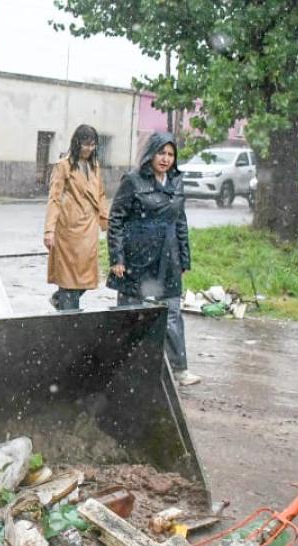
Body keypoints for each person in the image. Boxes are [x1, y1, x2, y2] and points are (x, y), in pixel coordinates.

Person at [106, 132, 200, 386]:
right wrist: (117, 257)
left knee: (171, 314)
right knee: (130, 315)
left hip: (168, 260)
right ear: (151, 153)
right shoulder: (133, 181)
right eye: (161, 153)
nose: (166, 159)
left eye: (171, 154)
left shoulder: (177, 182)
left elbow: (180, 222)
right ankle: (120, 369)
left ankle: (180, 369)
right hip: (136, 259)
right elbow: (116, 220)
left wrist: (184, 259)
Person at [43, 125, 109, 310]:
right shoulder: (63, 166)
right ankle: (68, 315)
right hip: (69, 231)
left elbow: (101, 194)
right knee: (69, 279)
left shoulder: (95, 166)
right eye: (85, 144)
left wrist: (106, 221)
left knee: (87, 279)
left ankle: (61, 300)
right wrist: (49, 230)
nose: (89, 148)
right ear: (77, 143)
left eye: (93, 144)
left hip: (89, 229)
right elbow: (54, 199)